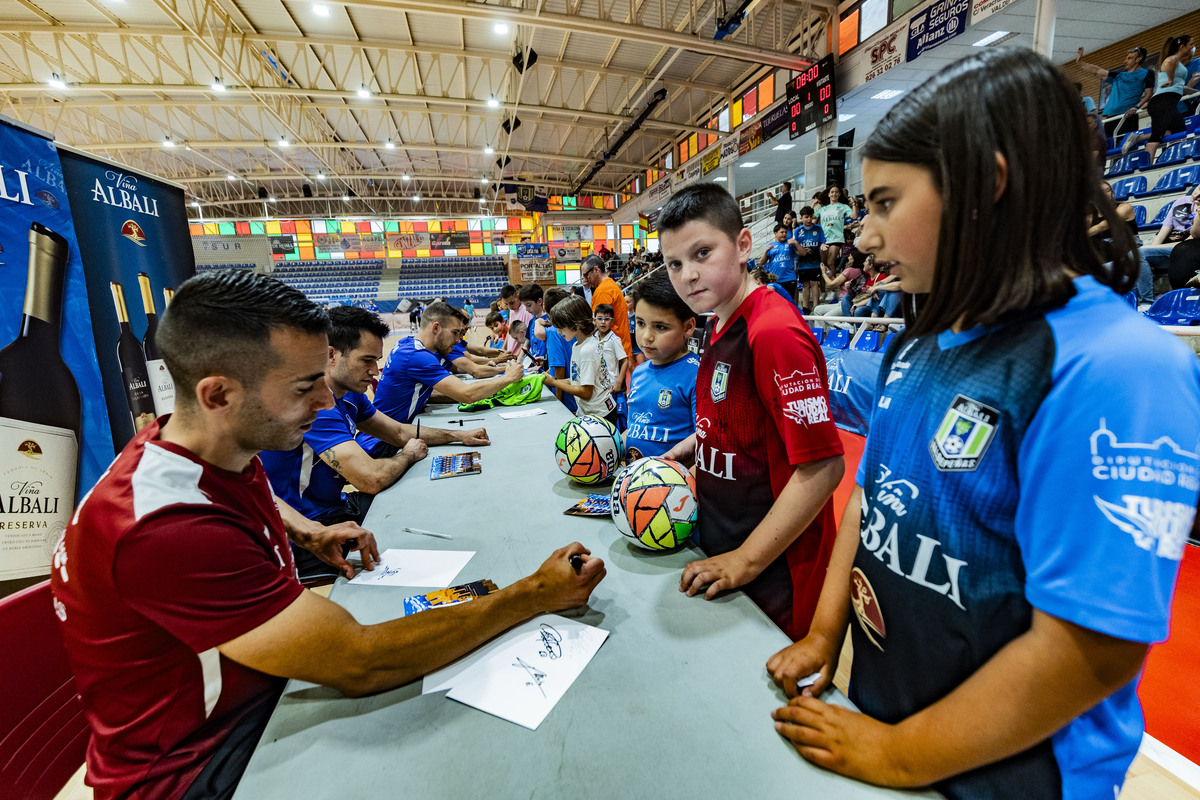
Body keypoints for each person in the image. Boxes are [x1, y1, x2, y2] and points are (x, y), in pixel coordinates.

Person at [765, 47, 1200, 798]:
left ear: (984, 188)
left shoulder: (1116, 367)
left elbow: (1091, 652)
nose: (864, 238)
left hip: (1008, 778)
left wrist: (900, 755)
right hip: (888, 729)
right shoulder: (918, 341)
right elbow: (871, 509)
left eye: (885, 203)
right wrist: (825, 636)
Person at [50, 269, 606, 800]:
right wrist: (534, 593)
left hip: (255, 703)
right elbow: (359, 661)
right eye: (304, 386)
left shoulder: (190, 444)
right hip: (204, 767)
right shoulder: (165, 530)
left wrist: (309, 532)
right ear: (218, 395)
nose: (324, 402)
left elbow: (253, 491)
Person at [657, 182, 845, 641]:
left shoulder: (774, 332)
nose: (688, 276)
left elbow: (823, 466)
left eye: (703, 253)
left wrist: (746, 560)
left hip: (774, 572)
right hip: (724, 547)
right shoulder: (719, 322)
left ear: (743, 246)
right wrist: (688, 449)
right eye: (675, 264)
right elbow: (732, 423)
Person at [259, 307, 487, 570]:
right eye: (366, 360)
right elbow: (371, 479)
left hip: (335, 507)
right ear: (331, 355)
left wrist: (458, 435)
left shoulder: (350, 392)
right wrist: (408, 455)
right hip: (308, 530)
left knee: (423, 504)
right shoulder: (317, 405)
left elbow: (399, 431)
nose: (374, 370)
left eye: (376, 360)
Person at [368, 302, 522, 432]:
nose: (458, 339)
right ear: (436, 328)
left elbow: (426, 395)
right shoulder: (418, 356)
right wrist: (509, 377)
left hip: (390, 433)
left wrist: (486, 394)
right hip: (382, 444)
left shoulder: (406, 344)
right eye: (455, 333)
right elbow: (467, 394)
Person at [624, 270, 700, 461]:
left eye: (660, 327)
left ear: (688, 327)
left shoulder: (697, 374)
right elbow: (637, 429)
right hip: (632, 479)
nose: (646, 336)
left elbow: (706, 437)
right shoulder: (639, 372)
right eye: (640, 323)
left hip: (673, 485)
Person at [542, 294, 620, 427]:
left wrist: (555, 383)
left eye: (561, 327)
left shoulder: (588, 350)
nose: (559, 332)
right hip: (589, 412)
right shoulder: (577, 345)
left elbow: (586, 392)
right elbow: (576, 379)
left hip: (601, 415)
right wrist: (553, 380)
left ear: (575, 325)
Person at [1121, 35, 1193, 161]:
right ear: (1182, 47)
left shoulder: (1179, 63)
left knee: (1176, 130)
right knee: (1157, 136)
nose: (1193, 47)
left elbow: (1181, 88)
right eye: (1191, 44)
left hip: (1165, 102)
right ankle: (1147, 167)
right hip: (1162, 102)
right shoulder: (1172, 59)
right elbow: (1168, 64)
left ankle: (1141, 140)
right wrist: (1170, 78)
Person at [1075, 45, 1154, 139]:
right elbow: (1097, 70)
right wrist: (1080, 62)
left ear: (1138, 59)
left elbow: (1149, 94)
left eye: (1129, 58)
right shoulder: (1119, 76)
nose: (1125, 61)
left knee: (1122, 145)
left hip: (1127, 116)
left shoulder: (1146, 73)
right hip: (1110, 117)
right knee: (1107, 148)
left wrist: (1136, 107)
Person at [582, 253, 633, 357]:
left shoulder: (603, 291)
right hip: (620, 348)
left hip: (611, 351)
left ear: (596, 270)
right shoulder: (610, 285)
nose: (586, 279)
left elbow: (598, 324)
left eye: (586, 275)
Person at [542, 286, 578, 413]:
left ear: (545, 308)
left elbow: (559, 367)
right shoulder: (574, 327)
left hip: (567, 400)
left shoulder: (554, 332)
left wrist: (558, 402)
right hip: (578, 396)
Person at [594, 302, 629, 426]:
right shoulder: (594, 338)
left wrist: (619, 382)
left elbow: (625, 361)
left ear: (612, 321)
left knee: (615, 422)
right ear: (594, 320)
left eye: (607, 319)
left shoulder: (614, 340)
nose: (603, 322)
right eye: (600, 319)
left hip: (612, 388)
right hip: (599, 387)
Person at [791, 206, 827, 313]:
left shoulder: (818, 228)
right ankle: (805, 307)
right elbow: (795, 246)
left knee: (815, 284)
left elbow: (823, 242)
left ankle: (816, 307)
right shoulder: (798, 230)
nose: (809, 219)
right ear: (801, 218)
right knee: (805, 285)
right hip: (803, 263)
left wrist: (823, 246)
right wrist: (802, 250)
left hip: (815, 262)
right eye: (806, 217)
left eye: (810, 217)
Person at [760, 224, 802, 304]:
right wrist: (766, 252)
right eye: (782, 232)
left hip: (789, 278)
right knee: (776, 302)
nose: (784, 234)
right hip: (775, 279)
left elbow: (802, 253)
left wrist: (796, 243)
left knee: (789, 302)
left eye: (785, 232)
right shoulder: (770, 245)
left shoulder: (790, 243)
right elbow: (762, 262)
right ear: (775, 233)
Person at [818, 185, 853, 273]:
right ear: (828, 194)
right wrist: (813, 204)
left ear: (840, 194)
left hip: (836, 238)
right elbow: (810, 219)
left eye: (836, 192)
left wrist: (854, 204)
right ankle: (827, 284)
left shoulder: (844, 206)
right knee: (823, 264)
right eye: (832, 192)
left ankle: (832, 285)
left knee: (830, 263)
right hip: (824, 239)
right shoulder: (823, 209)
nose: (834, 194)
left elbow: (854, 216)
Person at [518, 283, 551, 363]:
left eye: (529, 305)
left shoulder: (549, 321)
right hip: (536, 364)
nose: (526, 309)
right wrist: (519, 360)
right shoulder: (532, 321)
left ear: (539, 301)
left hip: (547, 363)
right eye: (524, 306)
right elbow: (527, 344)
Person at [499, 284, 532, 354]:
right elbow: (509, 331)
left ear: (518, 295)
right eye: (506, 304)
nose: (509, 307)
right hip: (511, 353)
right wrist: (503, 349)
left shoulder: (526, 311)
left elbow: (527, 338)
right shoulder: (511, 310)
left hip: (520, 355)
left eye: (511, 303)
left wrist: (517, 356)